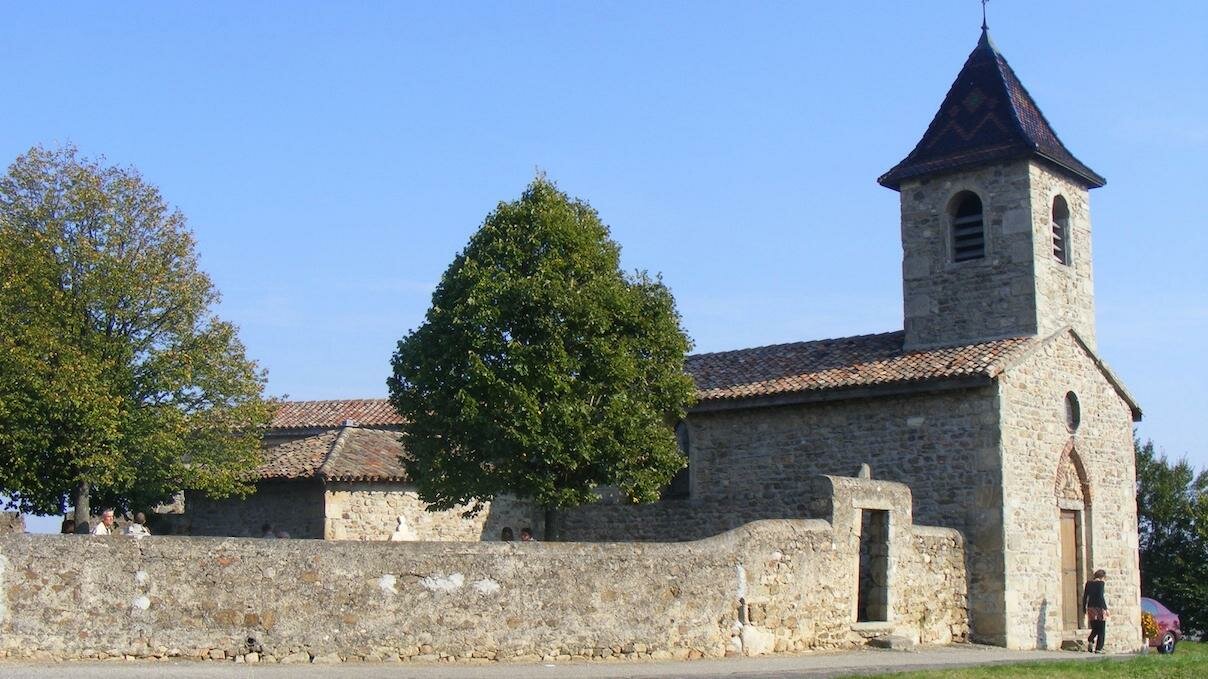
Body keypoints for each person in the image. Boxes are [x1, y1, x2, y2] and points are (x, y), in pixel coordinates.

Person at [1083, 569, 1109, 653]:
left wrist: (1084, 607)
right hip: (1099, 607)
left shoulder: (1088, 583)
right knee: (1101, 628)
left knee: (1095, 627)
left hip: (1090, 607)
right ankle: (1099, 648)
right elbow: (1101, 596)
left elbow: (1085, 596)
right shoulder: (1101, 584)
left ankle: (1091, 639)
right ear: (1102, 577)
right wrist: (1105, 608)